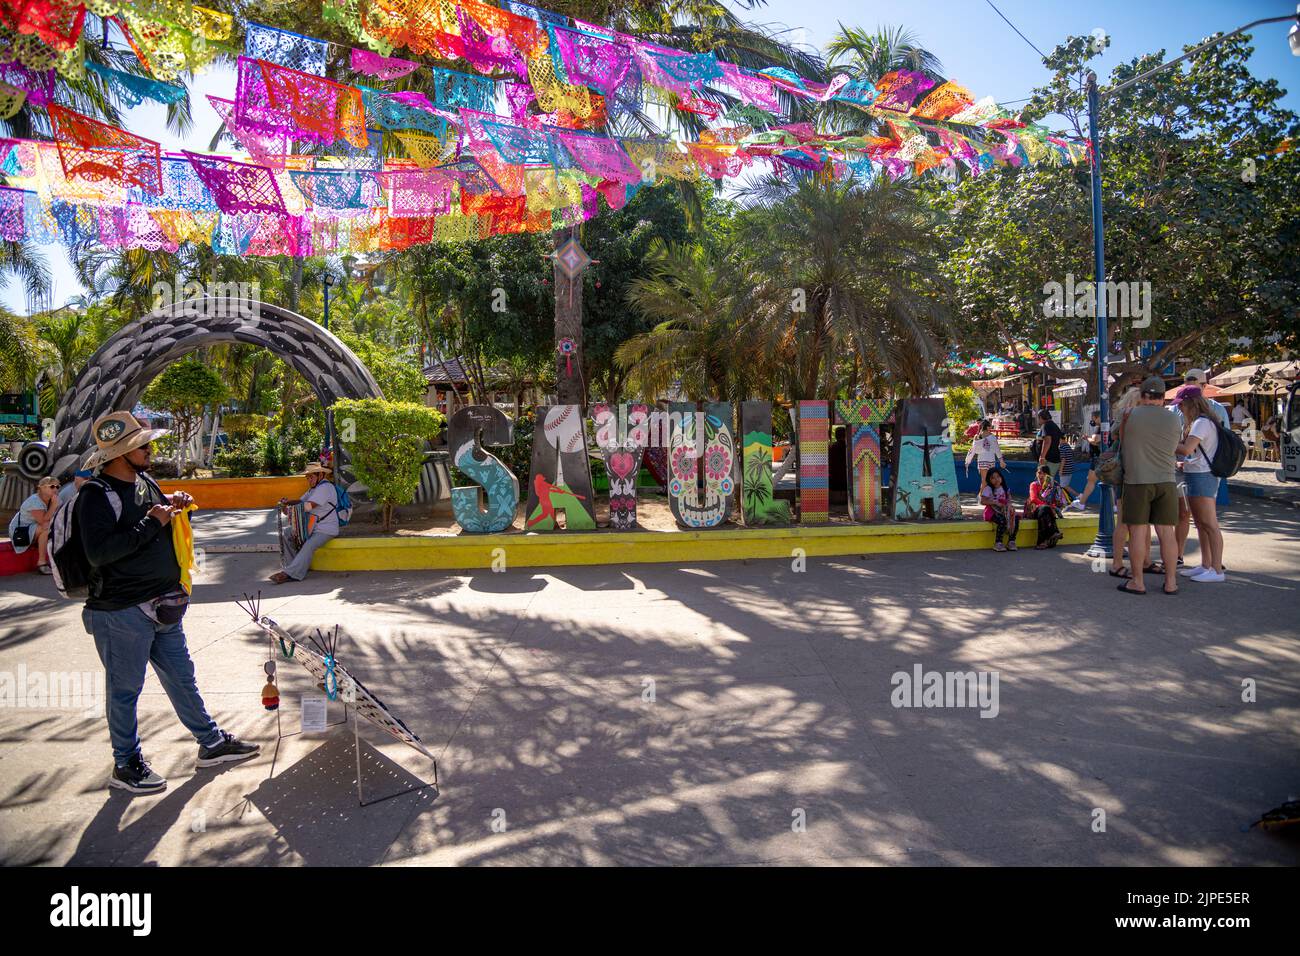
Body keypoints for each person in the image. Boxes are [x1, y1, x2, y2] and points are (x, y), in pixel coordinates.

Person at [77, 411, 259, 794]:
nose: (149, 449)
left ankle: (210, 743)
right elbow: (99, 552)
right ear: (119, 455)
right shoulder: (95, 496)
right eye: (141, 445)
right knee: (125, 690)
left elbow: (158, 519)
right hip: (120, 611)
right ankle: (125, 763)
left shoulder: (146, 482)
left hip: (163, 606)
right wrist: (151, 523)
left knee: (182, 677)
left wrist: (174, 504)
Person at [1116, 376, 1182, 596]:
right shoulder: (1174, 419)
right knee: (1167, 533)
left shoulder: (1130, 415)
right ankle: (1171, 582)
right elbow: (1174, 447)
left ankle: (1138, 582)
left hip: (1137, 480)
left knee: (1137, 532)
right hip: (1167, 480)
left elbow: (1123, 444)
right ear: (1163, 397)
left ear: (1142, 395)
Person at [1175, 386, 1226, 583]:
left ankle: (1216, 569)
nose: (1179, 408)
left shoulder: (1202, 423)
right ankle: (1206, 564)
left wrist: (1163, 442)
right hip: (1197, 472)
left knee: (1209, 524)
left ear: (1190, 403)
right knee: (1201, 523)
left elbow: (1187, 449)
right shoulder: (1204, 421)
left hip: (1203, 475)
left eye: (1180, 404)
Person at [270, 462, 339, 584]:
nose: (309, 480)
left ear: (321, 475)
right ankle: (291, 568)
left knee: (309, 545)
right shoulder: (313, 490)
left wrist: (289, 507)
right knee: (287, 533)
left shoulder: (325, 488)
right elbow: (300, 502)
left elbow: (307, 506)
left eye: (311, 477)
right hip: (312, 527)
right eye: (307, 477)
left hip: (326, 529)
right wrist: (286, 504)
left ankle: (290, 573)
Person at [8, 476, 60, 573]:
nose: (56, 489)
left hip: (33, 529)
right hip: (20, 533)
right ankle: (42, 563)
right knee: (46, 527)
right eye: (52, 486)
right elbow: (43, 520)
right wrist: (53, 506)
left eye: (57, 487)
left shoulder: (52, 500)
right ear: (42, 487)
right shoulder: (34, 501)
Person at [1028, 464, 1070, 549]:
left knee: (1045, 511)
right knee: (1045, 508)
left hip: (1046, 512)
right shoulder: (1034, 484)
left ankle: (1041, 542)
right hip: (1034, 509)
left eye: (1044, 473)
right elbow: (1033, 499)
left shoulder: (1051, 486)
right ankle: (1054, 532)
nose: (1041, 475)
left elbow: (1055, 502)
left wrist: (1055, 505)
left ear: (1048, 475)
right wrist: (1049, 506)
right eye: (1039, 473)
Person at [980, 466, 1019, 551]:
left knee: (1015, 518)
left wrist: (1009, 506)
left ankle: (1011, 541)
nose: (996, 479)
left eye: (998, 476)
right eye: (993, 478)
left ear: (1001, 477)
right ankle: (998, 543)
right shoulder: (988, 488)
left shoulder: (1005, 488)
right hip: (992, 512)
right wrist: (995, 502)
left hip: (1003, 510)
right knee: (1002, 520)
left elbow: (1009, 500)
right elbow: (982, 501)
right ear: (989, 480)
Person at [965, 419, 1007, 492]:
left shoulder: (977, 437)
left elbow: (973, 450)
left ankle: (982, 497)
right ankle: (983, 497)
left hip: (982, 460)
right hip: (991, 460)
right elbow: (997, 450)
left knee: (984, 480)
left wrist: (968, 461)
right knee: (990, 480)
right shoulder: (992, 437)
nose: (991, 428)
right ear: (987, 427)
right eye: (990, 426)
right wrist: (1001, 461)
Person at [1036, 409, 1064, 477]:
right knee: (1047, 481)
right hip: (1054, 458)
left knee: (1044, 481)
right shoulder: (1054, 425)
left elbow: (1047, 441)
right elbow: (1062, 440)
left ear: (1040, 417)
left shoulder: (1046, 425)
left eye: (1038, 418)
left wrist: (1042, 457)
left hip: (1049, 459)